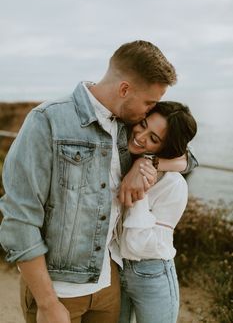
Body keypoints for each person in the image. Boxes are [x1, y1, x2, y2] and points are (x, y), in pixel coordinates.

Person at [0, 40, 196, 323]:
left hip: (109, 287)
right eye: (149, 102)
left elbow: (187, 156)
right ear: (125, 89)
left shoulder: (127, 128)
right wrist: (47, 302)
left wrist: (147, 161)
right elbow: (19, 218)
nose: (149, 112)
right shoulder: (48, 120)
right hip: (59, 291)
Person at [118, 101, 197, 323]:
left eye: (154, 139)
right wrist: (143, 161)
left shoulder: (174, 185)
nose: (141, 137)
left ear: (166, 148)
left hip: (152, 273)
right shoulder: (120, 154)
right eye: (142, 125)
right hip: (114, 270)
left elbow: (139, 245)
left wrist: (142, 184)